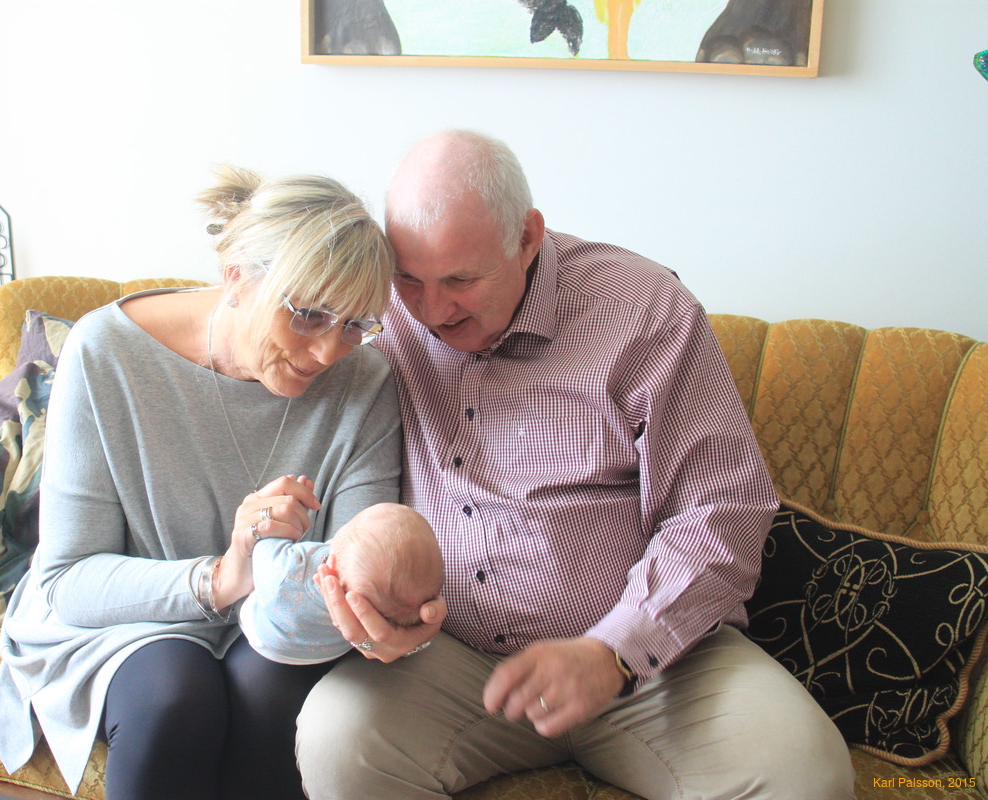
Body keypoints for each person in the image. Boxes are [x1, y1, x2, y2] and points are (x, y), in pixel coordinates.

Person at [296, 130, 856, 799]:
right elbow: (264, 316)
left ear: (528, 236)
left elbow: (721, 511)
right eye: (411, 279)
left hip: (647, 667)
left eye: (462, 281)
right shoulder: (382, 311)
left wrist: (614, 651)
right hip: (451, 658)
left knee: (805, 773)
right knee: (337, 739)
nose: (434, 311)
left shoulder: (644, 311)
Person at [0, 165, 404, 800]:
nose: (329, 352)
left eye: (354, 324)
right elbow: (69, 581)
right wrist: (225, 574)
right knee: (175, 697)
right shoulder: (107, 354)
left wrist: (382, 601)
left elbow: (352, 566)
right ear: (236, 275)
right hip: (125, 616)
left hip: (281, 618)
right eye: (309, 315)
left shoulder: (366, 382)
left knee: (271, 688)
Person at [240, 501, 444, 664]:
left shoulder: (291, 570)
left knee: (247, 603)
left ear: (330, 567)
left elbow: (262, 551)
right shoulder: (389, 607)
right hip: (329, 652)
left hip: (266, 639)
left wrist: (281, 518)